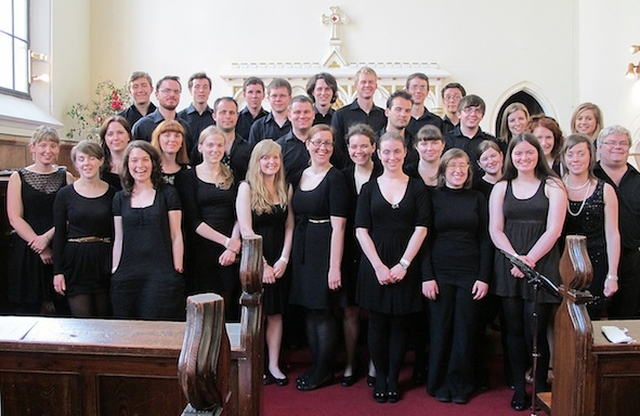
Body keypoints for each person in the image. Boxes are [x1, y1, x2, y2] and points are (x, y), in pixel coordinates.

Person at [489, 132, 566, 410]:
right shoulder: (502, 186)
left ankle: (541, 387)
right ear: (511, 156)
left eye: (529, 153)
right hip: (509, 264)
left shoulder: (553, 185)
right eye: (518, 153)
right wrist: (515, 260)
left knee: (536, 330)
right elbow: (495, 229)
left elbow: (554, 230)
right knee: (513, 328)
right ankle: (519, 388)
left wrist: (529, 261)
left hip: (541, 262)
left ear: (539, 154)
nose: (524, 158)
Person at [356, 132, 430, 403]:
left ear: (405, 153)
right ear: (378, 153)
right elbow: (361, 230)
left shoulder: (418, 187)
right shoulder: (368, 188)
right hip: (375, 262)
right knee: (377, 322)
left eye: (396, 151)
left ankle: (392, 379)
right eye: (386, 152)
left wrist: (404, 264)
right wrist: (378, 266)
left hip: (405, 261)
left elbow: (422, 228)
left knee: (400, 323)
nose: (391, 157)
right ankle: (381, 376)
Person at [423, 148, 491, 404]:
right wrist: (426, 276)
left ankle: (460, 384)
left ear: (469, 170)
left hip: (470, 272)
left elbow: (486, 239)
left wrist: (484, 277)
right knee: (440, 330)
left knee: (465, 331)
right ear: (443, 171)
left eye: (463, 166)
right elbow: (425, 239)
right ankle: (439, 382)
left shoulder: (477, 198)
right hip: (439, 273)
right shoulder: (433, 197)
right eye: (452, 166)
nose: (458, 171)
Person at [290, 124, 348, 391]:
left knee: (323, 311)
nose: (322, 148)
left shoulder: (335, 178)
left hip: (325, 247)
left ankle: (324, 369)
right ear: (308, 144)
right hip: (303, 246)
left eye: (328, 143)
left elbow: (340, 227)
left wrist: (334, 267)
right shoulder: (299, 175)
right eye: (317, 142)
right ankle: (317, 364)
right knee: (310, 310)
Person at [236, 140, 294, 386]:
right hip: (255, 258)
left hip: (280, 257)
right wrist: (264, 264)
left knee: (276, 314)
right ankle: (254, 364)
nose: (271, 162)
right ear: (257, 161)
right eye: (266, 158)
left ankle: (273, 364)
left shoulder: (286, 187)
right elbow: (246, 231)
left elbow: (290, 225)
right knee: (256, 314)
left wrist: (283, 259)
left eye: (275, 158)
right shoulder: (246, 188)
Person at [111, 141, 184, 320]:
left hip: (161, 273)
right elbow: (118, 238)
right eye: (134, 160)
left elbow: (176, 234)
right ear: (127, 164)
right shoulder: (119, 198)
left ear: (153, 163)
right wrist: (115, 269)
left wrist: (176, 268)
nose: (140, 165)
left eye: (145, 159)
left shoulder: (168, 193)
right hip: (128, 274)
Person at [7, 126, 75, 315]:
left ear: (58, 149)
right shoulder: (18, 177)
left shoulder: (66, 177)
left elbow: (71, 215)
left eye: (53, 145)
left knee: (61, 309)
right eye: (42, 145)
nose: (48, 150)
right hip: (28, 250)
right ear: (32, 148)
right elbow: (14, 217)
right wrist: (40, 245)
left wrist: (47, 238)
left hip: (59, 247)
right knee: (28, 311)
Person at [175, 126, 241, 321]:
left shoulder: (232, 175)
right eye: (210, 145)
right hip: (201, 251)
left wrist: (233, 246)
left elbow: (239, 214)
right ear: (200, 147)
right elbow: (193, 220)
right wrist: (225, 242)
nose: (215, 149)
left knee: (227, 306)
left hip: (229, 253)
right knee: (202, 310)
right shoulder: (187, 177)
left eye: (219, 145)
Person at [53, 140, 116, 317]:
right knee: (82, 321)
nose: (86, 163)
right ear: (75, 163)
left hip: (104, 259)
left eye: (92, 158)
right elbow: (59, 235)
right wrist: (58, 272)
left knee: (105, 319)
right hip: (76, 261)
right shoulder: (65, 194)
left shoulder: (113, 193)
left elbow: (118, 233)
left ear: (101, 161)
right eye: (81, 159)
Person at [340, 123, 382, 387]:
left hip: (377, 248)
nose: (359, 151)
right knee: (349, 309)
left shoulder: (384, 174)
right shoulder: (341, 176)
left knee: (376, 308)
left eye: (364, 146)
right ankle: (349, 362)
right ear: (348, 148)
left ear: (373, 147)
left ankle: (375, 363)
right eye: (354, 146)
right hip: (348, 249)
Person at [562, 134, 620, 318]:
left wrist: (612, 275)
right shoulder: (555, 187)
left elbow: (612, 235)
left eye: (581, 153)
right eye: (570, 154)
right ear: (563, 157)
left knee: (591, 320)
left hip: (597, 263)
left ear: (590, 157)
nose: (575, 159)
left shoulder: (605, 189)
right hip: (564, 264)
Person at [594, 125, 640, 318]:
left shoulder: (637, 180)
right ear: (599, 147)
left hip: (632, 258)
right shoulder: (590, 178)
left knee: (628, 316)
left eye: (623, 143)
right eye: (611, 142)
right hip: (596, 256)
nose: (617, 147)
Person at [331, 67, 387, 168]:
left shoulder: (384, 115)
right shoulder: (340, 115)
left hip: (378, 172)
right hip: (348, 173)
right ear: (356, 85)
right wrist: (350, 170)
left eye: (371, 82)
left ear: (376, 86)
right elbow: (337, 148)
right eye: (363, 82)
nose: (367, 85)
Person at [132, 75, 194, 155]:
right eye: (167, 90)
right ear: (157, 94)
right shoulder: (142, 126)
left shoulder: (185, 127)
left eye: (176, 91)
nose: (172, 94)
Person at [444, 94, 502, 177]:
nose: (473, 114)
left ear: (482, 116)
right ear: (459, 114)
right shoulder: (446, 140)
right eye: (468, 110)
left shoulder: (491, 141)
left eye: (477, 111)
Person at [275, 95, 315, 185]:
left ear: (313, 115)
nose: (302, 116)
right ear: (289, 116)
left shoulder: (323, 145)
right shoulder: (279, 147)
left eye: (306, 112)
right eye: (297, 112)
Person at [213, 97, 252, 182]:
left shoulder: (248, 148)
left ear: (237, 116)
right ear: (214, 116)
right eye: (223, 112)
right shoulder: (205, 148)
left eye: (231, 113)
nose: (227, 116)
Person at [376, 90, 417, 168]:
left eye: (407, 111)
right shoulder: (373, 141)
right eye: (398, 109)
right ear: (387, 112)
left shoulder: (415, 144)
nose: (403, 114)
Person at [248, 78, 292, 146]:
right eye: (274, 96)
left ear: (290, 98)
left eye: (282, 96)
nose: (278, 99)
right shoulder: (258, 126)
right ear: (268, 98)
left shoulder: (297, 124)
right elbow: (253, 155)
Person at [150, 120, 190, 185]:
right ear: (158, 139)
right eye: (167, 135)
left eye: (177, 136)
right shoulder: (149, 171)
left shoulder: (188, 172)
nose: (172, 139)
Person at [177, 72, 214, 141]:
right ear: (190, 90)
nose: (201, 90)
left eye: (205, 87)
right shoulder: (180, 117)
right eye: (197, 87)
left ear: (209, 91)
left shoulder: (215, 117)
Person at [405, 72, 443, 137]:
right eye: (414, 87)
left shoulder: (437, 121)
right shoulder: (401, 119)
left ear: (427, 92)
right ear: (407, 91)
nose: (418, 91)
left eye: (422, 87)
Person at [99, 115, 132, 190]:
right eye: (110, 134)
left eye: (120, 133)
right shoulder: (98, 165)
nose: (116, 138)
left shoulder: (138, 164)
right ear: (104, 138)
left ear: (129, 136)